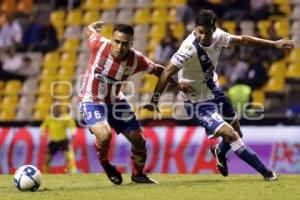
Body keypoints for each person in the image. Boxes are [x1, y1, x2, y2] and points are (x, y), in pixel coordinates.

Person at [143, 9, 295, 181]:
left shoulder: (219, 36)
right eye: (199, 32)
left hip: (214, 90)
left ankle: (219, 150)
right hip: (197, 101)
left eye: (206, 33)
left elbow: (243, 40)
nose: (202, 36)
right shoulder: (188, 48)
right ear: (195, 29)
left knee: (237, 130)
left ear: (213, 29)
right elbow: (165, 72)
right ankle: (267, 173)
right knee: (231, 135)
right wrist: (155, 99)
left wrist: (274, 44)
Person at [78, 22, 164, 185]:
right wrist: (92, 26)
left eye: (125, 43)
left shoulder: (136, 59)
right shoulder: (98, 44)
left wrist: (178, 81)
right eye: (116, 41)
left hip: (115, 101)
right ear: (111, 39)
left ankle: (138, 175)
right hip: (91, 99)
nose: (119, 47)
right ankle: (105, 163)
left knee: (139, 141)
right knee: (104, 135)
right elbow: (89, 31)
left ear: (131, 44)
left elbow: (159, 71)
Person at [40, 105, 77, 174]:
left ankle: (73, 173)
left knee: (69, 159)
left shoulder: (65, 117)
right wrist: (42, 132)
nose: (55, 111)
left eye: (56, 109)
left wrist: (73, 132)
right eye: (53, 110)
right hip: (53, 141)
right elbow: (43, 126)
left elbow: (72, 126)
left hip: (63, 141)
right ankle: (46, 174)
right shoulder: (49, 118)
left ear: (59, 110)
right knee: (47, 161)